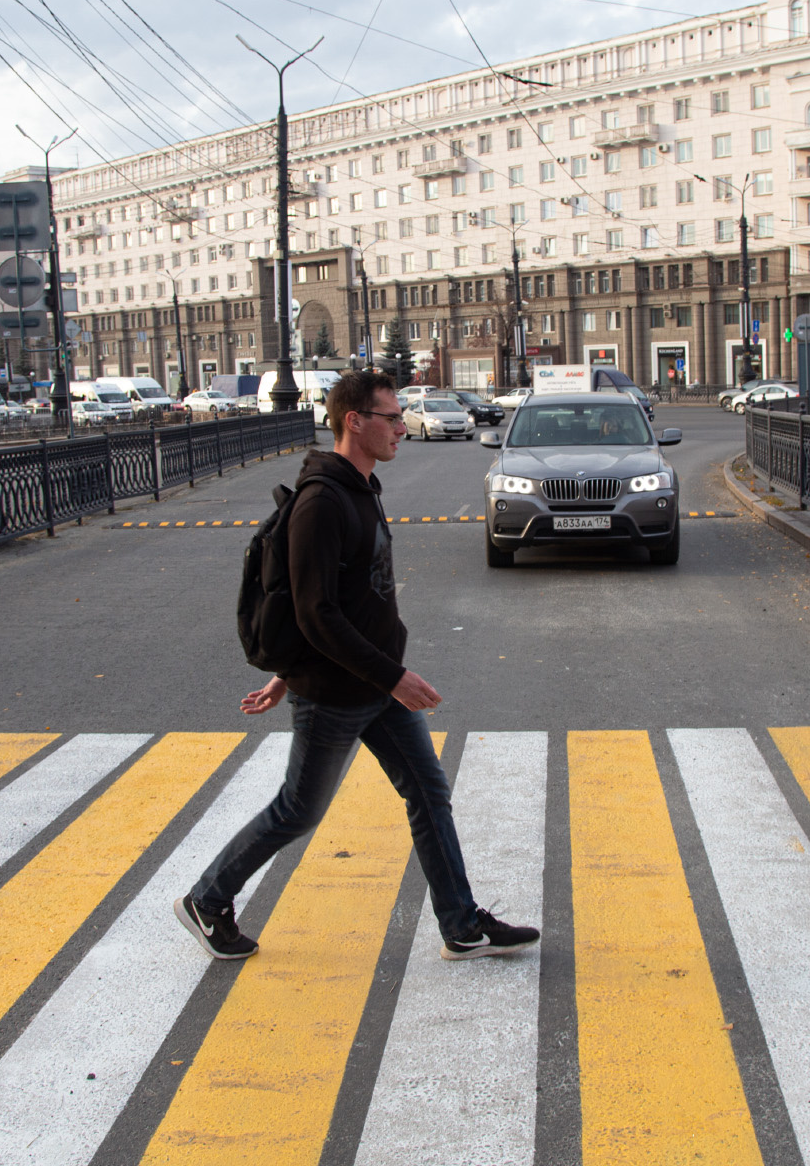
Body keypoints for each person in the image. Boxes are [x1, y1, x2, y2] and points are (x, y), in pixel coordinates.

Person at [176, 369, 540, 961]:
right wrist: (379, 676)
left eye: (400, 417)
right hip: (336, 694)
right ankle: (208, 900)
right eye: (392, 417)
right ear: (355, 421)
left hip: (371, 684)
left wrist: (311, 675)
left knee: (428, 792)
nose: (402, 427)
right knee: (298, 810)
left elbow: (344, 600)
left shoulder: (359, 486)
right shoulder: (321, 502)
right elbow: (313, 612)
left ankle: (461, 925)